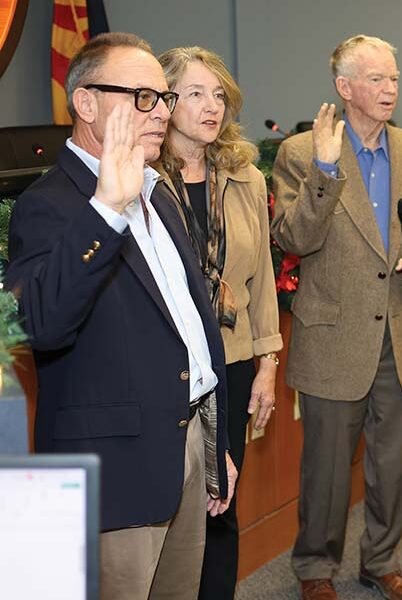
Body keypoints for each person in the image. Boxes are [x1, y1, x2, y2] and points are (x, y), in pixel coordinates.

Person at [5, 32, 236, 600]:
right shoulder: (50, 204)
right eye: (142, 97)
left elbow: (188, 327)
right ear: (86, 104)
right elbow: (41, 324)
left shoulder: (157, 191)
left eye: (162, 97)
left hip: (186, 441)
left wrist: (216, 443)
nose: (161, 112)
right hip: (117, 470)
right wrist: (106, 209)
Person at [270, 34, 402, 600]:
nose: (390, 88)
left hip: (399, 326)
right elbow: (292, 236)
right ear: (345, 88)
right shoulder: (301, 153)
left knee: (392, 463)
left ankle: (381, 561)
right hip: (332, 333)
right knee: (325, 467)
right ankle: (315, 570)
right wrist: (325, 168)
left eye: (394, 78)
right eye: (376, 79)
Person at [154, 46, 282, 600]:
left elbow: (262, 283)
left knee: (220, 504)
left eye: (220, 96)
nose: (213, 107)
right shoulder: (139, 179)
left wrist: (268, 363)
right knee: (161, 513)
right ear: (164, 100)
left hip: (228, 365)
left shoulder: (245, 177)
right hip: (164, 371)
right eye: (197, 94)